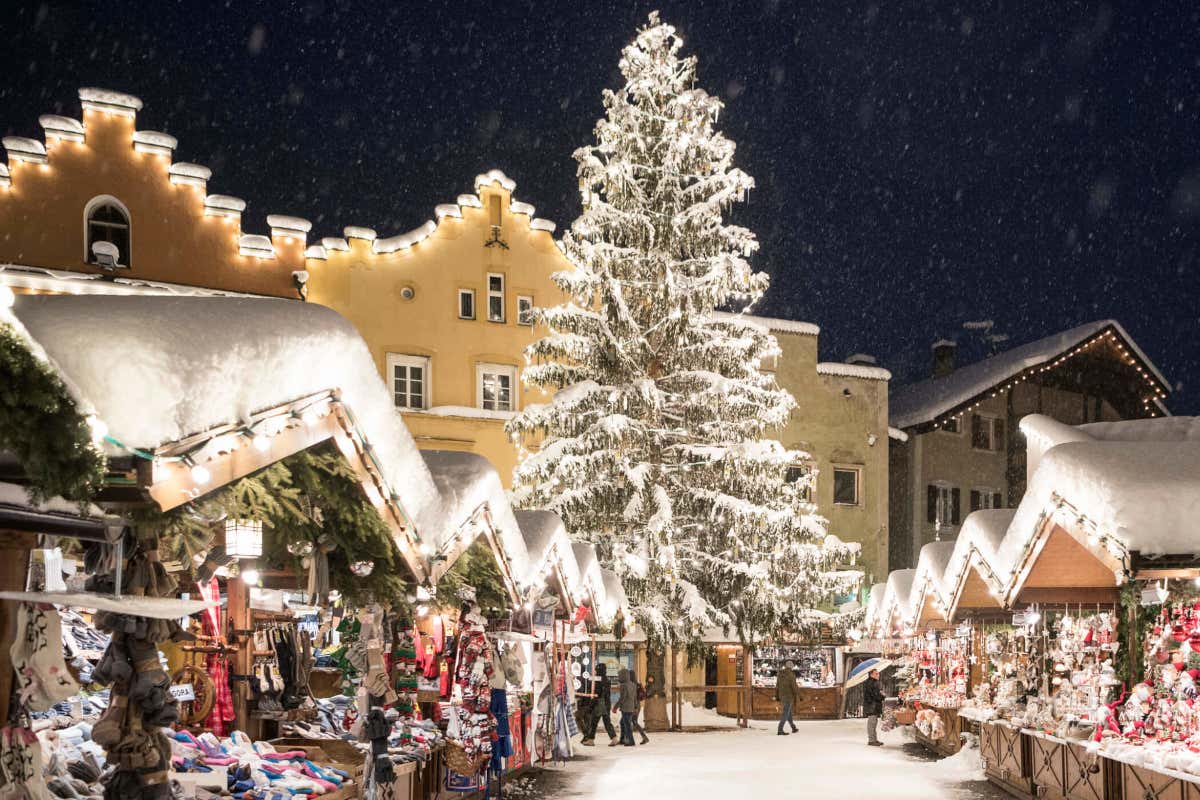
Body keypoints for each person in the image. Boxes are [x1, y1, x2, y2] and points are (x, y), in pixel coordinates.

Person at [581, 662, 616, 746]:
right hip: (606, 703)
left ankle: (591, 739)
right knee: (606, 722)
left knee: (594, 722)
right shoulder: (607, 680)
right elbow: (607, 694)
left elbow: (596, 694)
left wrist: (590, 706)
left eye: (596, 670)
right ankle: (614, 738)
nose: (595, 671)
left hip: (599, 704)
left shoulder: (597, 680)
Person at [614, 667, 639, 746]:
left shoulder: (623, 685)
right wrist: (635, 707)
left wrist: (615, 707)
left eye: (619, 675)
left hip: (625, 708)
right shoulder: (633, 685)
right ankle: (622, 739)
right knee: (622, 723)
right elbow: (635, 697)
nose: (619, 677)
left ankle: (631, 741)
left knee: (627, 725)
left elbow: (622, 698)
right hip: (631, 707)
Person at [775, 659, 799, 736]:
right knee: (786, 713)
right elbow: (794, 687)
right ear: (791, 667)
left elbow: (777, 686)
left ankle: (793, 727)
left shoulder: (780, 674)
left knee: (788, 713)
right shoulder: (791, 675)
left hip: (782, 696)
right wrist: (798, 695)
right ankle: (780, 729)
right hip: (789, 696)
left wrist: (777, 696)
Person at [863, 668, 884, 746]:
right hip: (872, 705)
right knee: (872, 723)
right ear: (871, 674)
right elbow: (875, 695)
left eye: (878, 673)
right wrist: (882, 696)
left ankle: (874, 739)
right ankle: (871, 740)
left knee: (873, 723)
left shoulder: (871, 682)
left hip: (872, 705)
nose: (878, 675)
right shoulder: (871, 683)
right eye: (876, 674)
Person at [629, 670, 650, 745]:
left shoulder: (632, 685)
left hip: (634, 705)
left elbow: (633, 697)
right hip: (638, 705)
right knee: (633, 722)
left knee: (632, 722)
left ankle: (629, 738)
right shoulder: (637, 684)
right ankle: (644, 737)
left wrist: (634, 707)